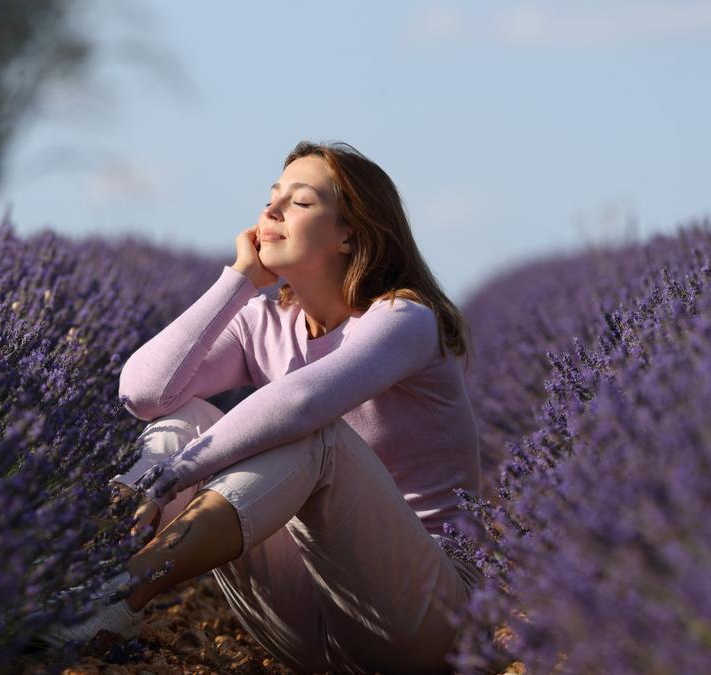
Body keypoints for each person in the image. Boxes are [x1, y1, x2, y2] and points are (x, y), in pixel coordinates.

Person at [38, 140, 482, 674]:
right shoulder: (266, 319)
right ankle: (88, 574)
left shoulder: (404, 318)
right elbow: (145, 392)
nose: (270, 210)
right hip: (310, 627)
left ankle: (120, 590)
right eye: (272, 196)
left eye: (300, 201)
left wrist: (172, 477)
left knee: (313, 433)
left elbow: (300, 401)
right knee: (189, 419)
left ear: (350, 234)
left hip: (426, 620)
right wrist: (238, 280)